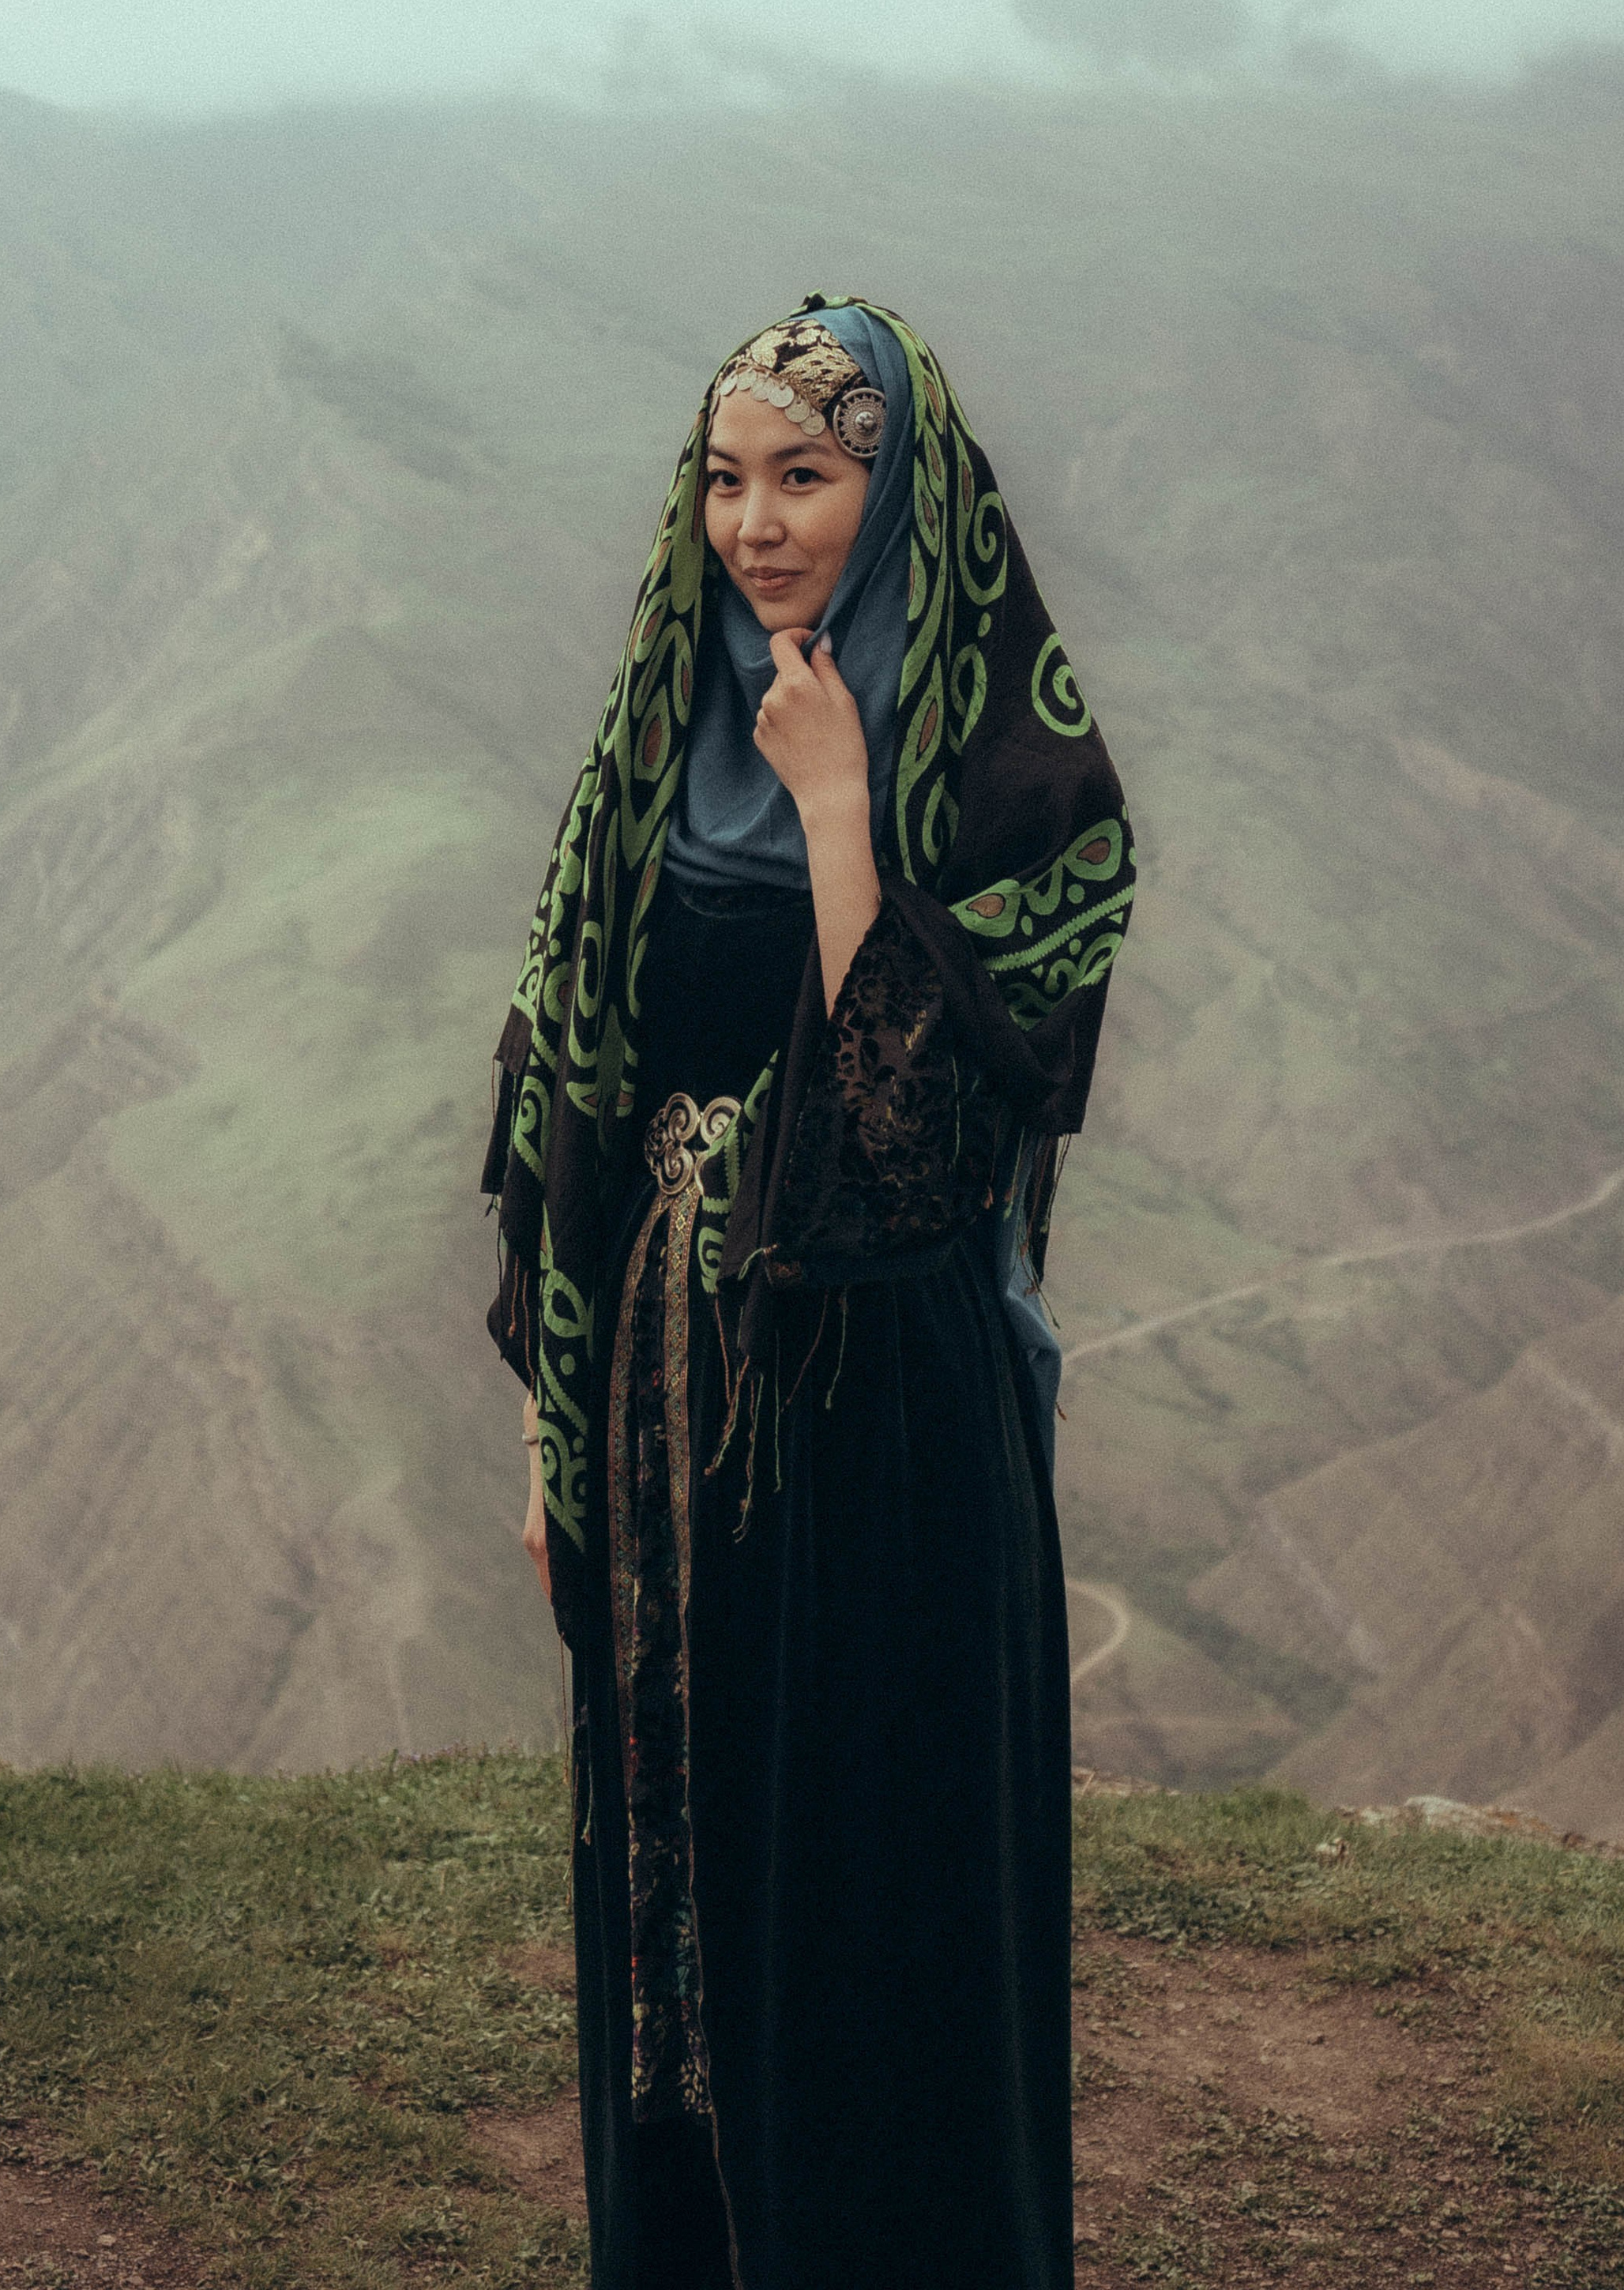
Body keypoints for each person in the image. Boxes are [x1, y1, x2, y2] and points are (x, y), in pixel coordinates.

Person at [483, 299, 1133, 2290]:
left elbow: (917, 1152)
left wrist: (842, 811)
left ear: (900, 496)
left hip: (881, 1428)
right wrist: (550, 1433)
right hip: (668, 1417)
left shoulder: (1020, 794)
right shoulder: (654, 750)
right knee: (679, 1867)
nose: (754, 526)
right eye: (724, 477)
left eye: (809, 477)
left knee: (867, 1891)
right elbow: (570, 1108)